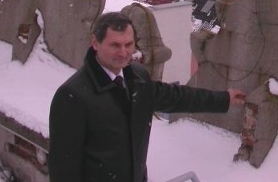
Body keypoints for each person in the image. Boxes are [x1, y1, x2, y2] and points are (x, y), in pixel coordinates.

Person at [48, 12, 245, 182]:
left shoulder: (136, 76)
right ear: (95, 44)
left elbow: (175, 97)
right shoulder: (73, 95)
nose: (124, 53)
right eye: (115, 45)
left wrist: (224, 99)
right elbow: (64, 169)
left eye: (129, 44)